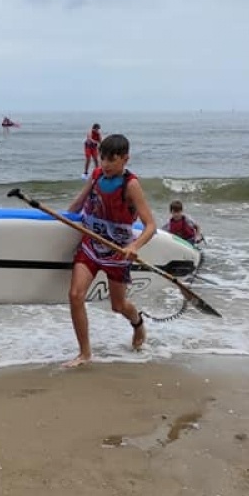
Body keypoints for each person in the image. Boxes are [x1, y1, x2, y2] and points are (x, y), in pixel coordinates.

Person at [65, 133, 156, 367]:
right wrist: (63, 219)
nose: (104, 164)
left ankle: (137, 323)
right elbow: (77, 203)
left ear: (125, 159)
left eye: (111, 160)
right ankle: (85, 354)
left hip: (117, 250)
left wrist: (135, 245)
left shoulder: (131, 185)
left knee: (118, 306)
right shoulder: (96, 175)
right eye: (102, 158)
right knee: (75, 295)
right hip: (91, 244)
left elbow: (150, 225)